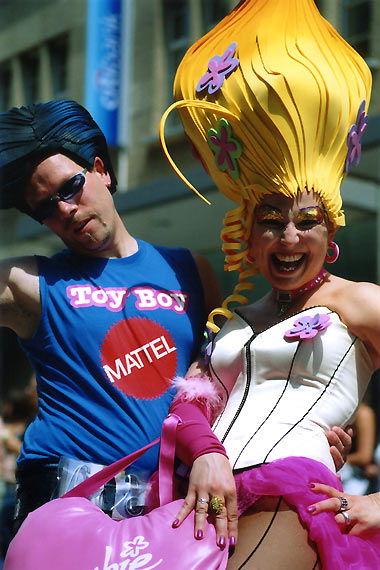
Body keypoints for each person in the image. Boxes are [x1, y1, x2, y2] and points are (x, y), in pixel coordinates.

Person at [158, 0, 380, 567]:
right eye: (270, 220)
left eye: (306, 221)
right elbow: (187, 406)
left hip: (292, 496)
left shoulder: (357, 300)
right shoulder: (236, 319)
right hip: (199, 500)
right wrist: (207, 453)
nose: (287, 237)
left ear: (329, 231)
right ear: (248, 237)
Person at [0, 99, 223, 532]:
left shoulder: (191, 269)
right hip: (63, 503)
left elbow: (221, 380)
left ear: (101, 169)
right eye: (45, 207)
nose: (64, 209)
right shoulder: (28, 282)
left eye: (70, 187)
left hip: (166, 509)